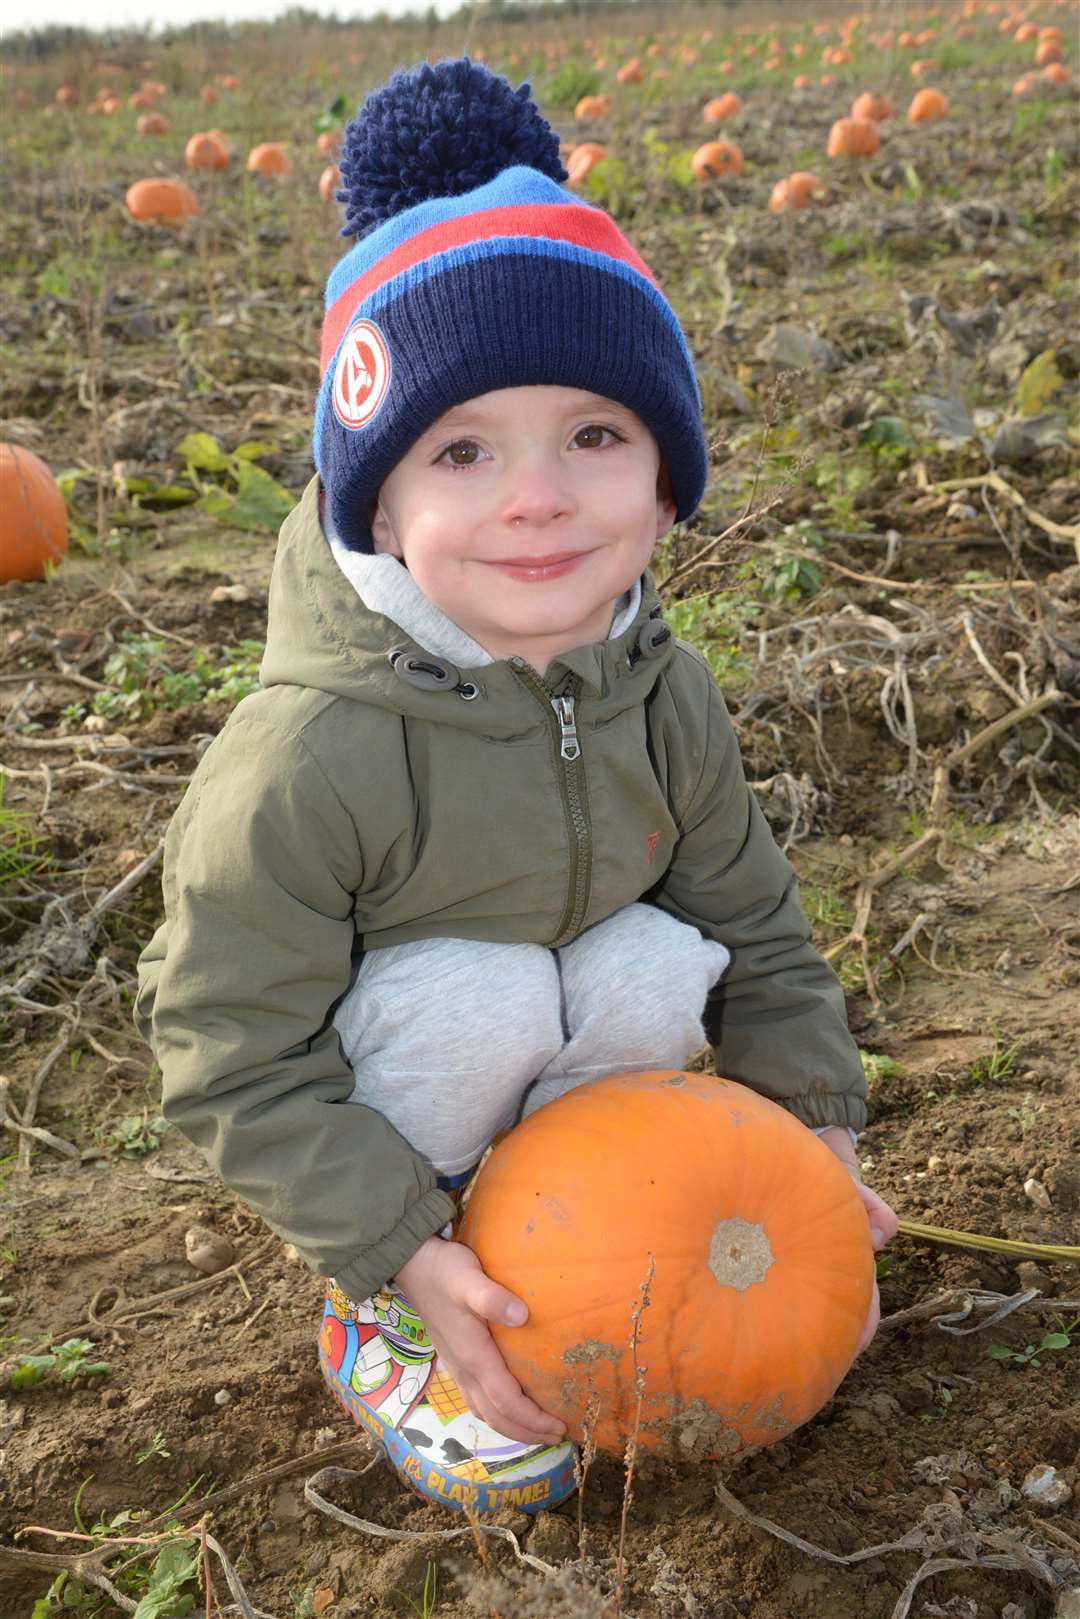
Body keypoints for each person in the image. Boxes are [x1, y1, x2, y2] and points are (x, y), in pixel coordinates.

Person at [134, 57, 898, 1517]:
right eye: (464, 450)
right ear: (383, 500)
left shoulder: (655, 684)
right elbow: (227, 1048)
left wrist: (813, 1155)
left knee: (654, 955)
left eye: (594, 438)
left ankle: (580, 1219)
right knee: (469, 1000)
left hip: (580, 1069)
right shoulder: (308, 756)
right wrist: (393, 1241)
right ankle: (405, 1307)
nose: (536, 496)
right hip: (396, 1099)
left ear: (666, 485)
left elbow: (759, 922)